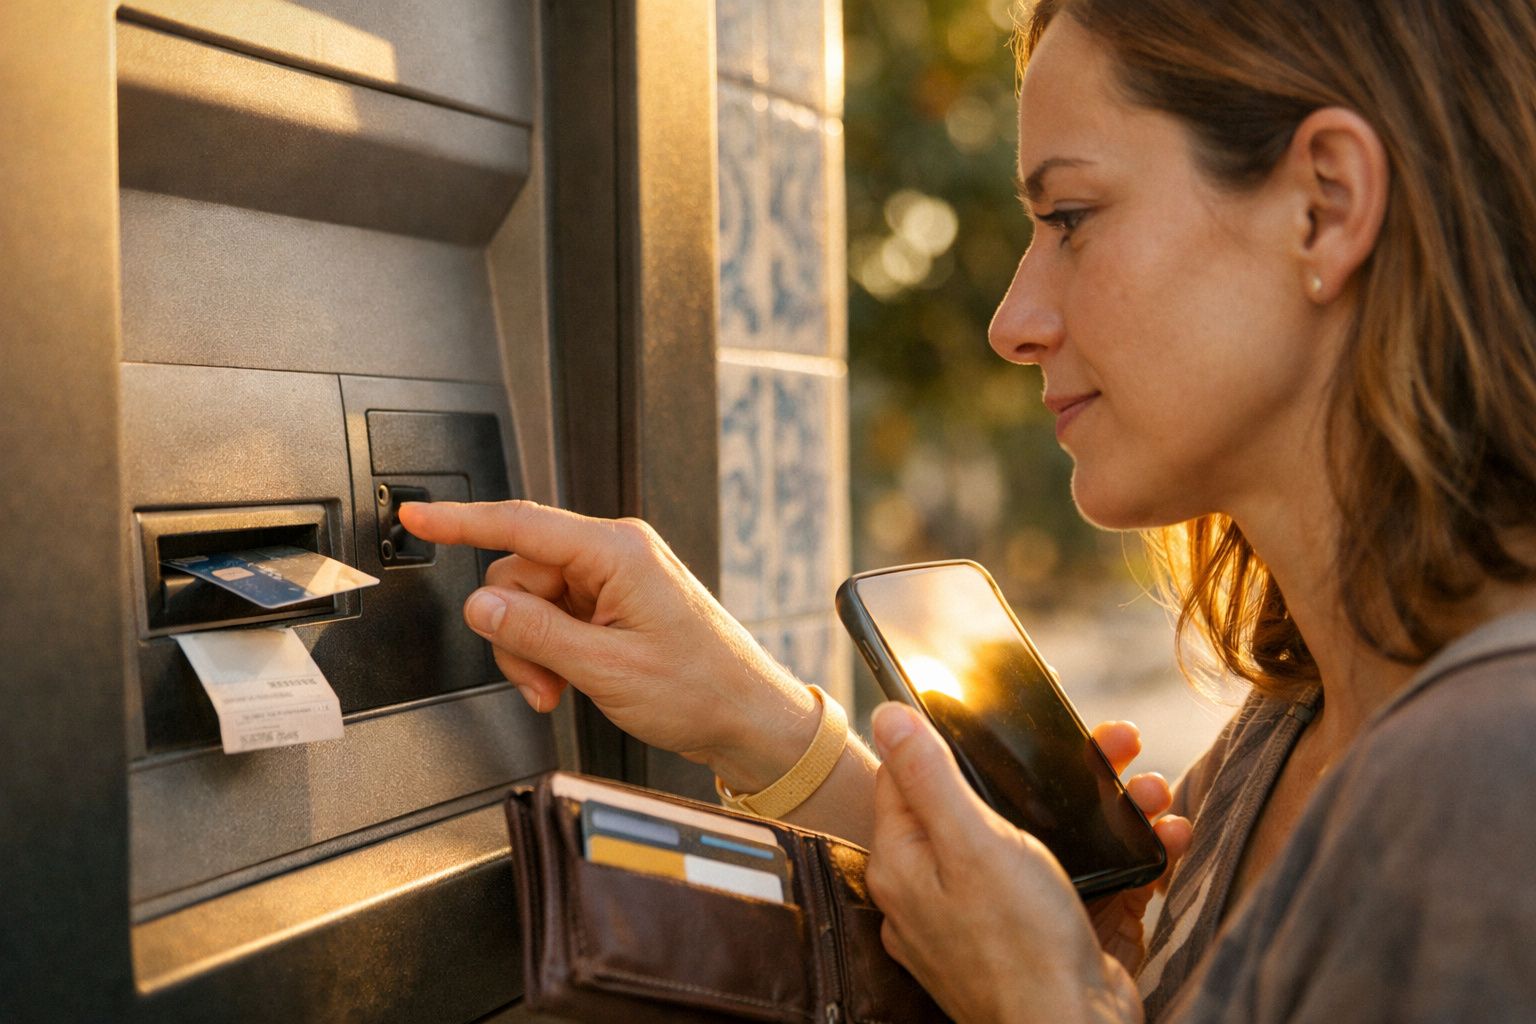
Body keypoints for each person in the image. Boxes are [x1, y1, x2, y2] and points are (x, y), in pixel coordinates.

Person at [401, 0, 1536, 1018]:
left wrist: (1036, 1004)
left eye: (1072, 216)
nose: (1012, 321)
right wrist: (753, 718)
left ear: (1325, 206)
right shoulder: (1292, 725)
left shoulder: (1495, 778)